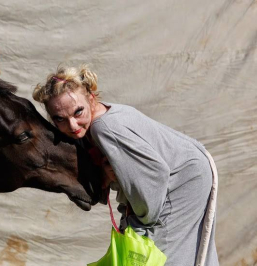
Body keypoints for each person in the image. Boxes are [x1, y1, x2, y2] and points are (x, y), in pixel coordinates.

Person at [32, 65, 219, 266]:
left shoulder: (103, 128)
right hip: (190, 168)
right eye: (60, 119)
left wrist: (136, 223)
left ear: (91, 99)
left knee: (160, 254)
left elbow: (151, 193)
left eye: (78, 112)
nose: (72, 125)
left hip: (182, 181)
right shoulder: (101, 116)